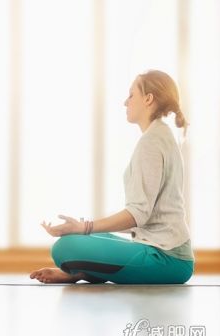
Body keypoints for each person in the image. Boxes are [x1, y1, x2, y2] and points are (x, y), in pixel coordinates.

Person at [30, 69, 195, 284]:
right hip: (161, 251)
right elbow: (146, 215)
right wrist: (85, 232)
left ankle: (80, 268)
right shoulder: (160, 135)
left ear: (148, 99)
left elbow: (138, 214)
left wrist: (84, 227)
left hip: (167, 259)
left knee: (66, 247)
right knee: (85, 238)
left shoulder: (151, 142)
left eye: (131, 95)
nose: (125, 102)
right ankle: (81, 273)